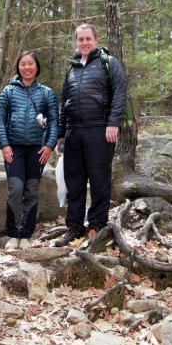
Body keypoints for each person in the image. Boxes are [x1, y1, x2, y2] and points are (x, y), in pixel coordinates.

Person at [55, 24, 127, 247]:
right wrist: (60, 134)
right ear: (76, 41)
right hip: (74, 132)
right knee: (74, 182)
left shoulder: (109, 63)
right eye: (80, 39)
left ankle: (96, 226)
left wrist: (113, 122)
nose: (84, 43)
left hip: (100, 130)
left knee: (99, 180)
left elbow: (120, 93)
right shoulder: (72, 67)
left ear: (96, 39)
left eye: (88, 39)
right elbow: (64, 102)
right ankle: (74, 227)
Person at [0, 51, 58, 250]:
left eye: (30, 64)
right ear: (18, 67)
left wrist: (49, 146)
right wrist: (4, 145)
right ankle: (13, 233)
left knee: (31, 191)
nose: (27, 67)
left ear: (36, 67)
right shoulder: (8, 92)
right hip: (14, 149)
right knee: (16, 189)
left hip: (37, 150)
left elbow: (55, 121)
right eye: (23, 64)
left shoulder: (46, 93)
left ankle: (26, 234)